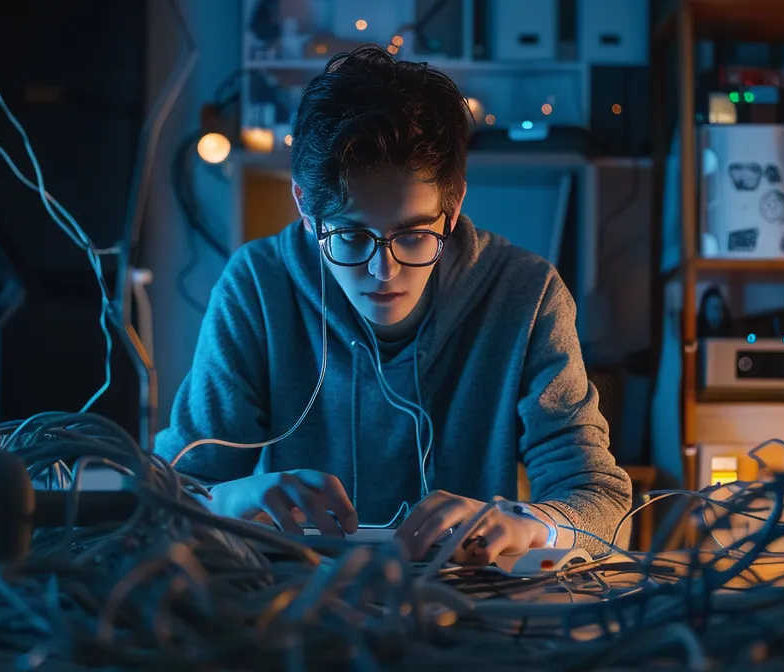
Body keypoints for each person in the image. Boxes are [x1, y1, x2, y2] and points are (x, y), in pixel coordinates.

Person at [153, 45, 631, 564]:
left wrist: (531, 525)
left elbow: (603, 506)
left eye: (413, 234)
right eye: (352, 238)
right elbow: (167, 500)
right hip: (291, 610)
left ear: (452, 212)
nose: (385, 272)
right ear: (305, 211)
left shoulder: (526, 294)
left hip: (464, 615)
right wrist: (228, 498)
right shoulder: (256, 286)